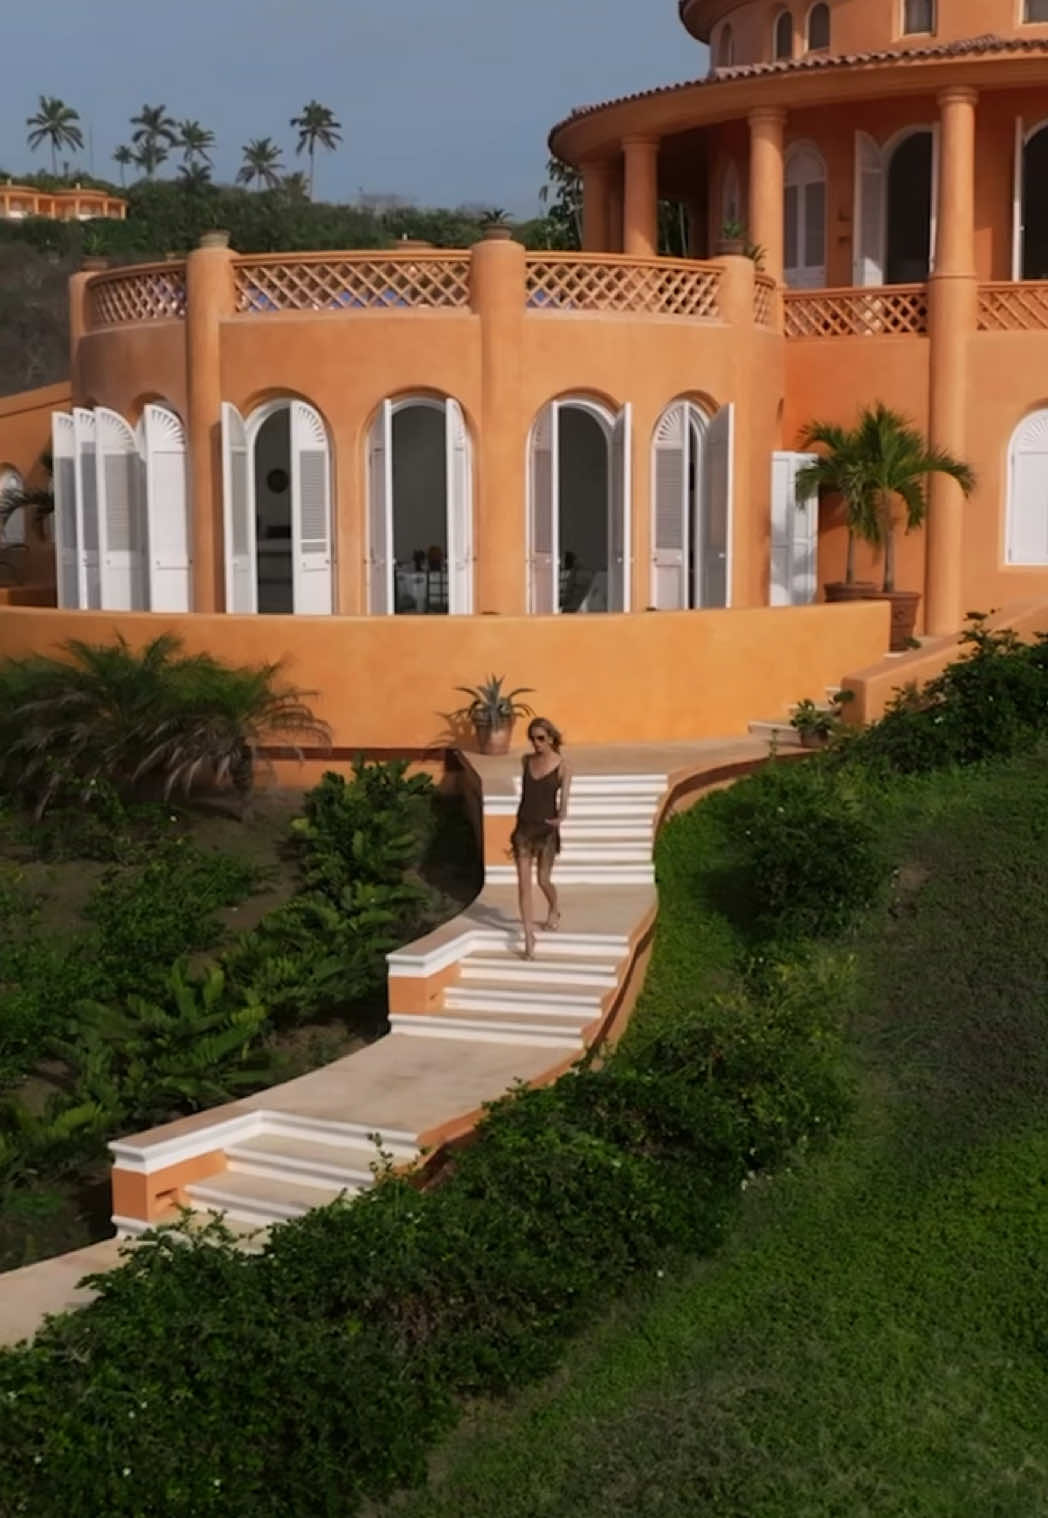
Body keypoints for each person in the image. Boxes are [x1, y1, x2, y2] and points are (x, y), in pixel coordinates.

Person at [510, 717, 571, 960]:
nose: (536, 743)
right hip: (524, 830)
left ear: (551, 738)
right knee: (524, 886)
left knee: (543, 880)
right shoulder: (526, 761)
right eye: (532, 739)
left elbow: (564, 804)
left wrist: (561, 818)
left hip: (546, 832)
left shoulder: (563, 767)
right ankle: (528, 937)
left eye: (541, 738)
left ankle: (554, 907)